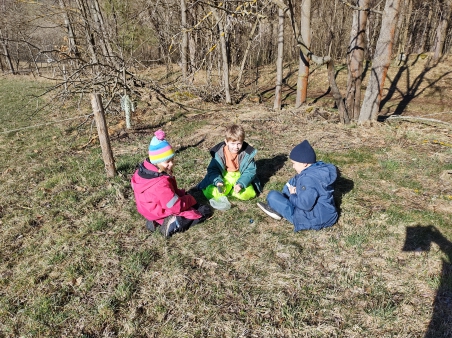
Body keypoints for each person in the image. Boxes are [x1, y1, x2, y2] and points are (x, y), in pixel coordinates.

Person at [131, 129, 212, 238]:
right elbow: (174, 206)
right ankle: (172, 224)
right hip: (160, 210)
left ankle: (155, 220)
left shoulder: (144, 171)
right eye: (167, 161)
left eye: (172, 159)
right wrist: (190, 199)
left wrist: (181, 194)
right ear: (156, 161)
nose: (171, 164)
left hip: (148, 208)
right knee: (203, 211)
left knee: (187, 202)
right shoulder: (160, 183)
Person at [257, 140, 338, 231]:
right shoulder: (318, 171)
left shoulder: (307, 179)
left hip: (312, 219)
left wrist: (293, 195)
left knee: (272, 196)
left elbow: (306, 205)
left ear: (304, 163)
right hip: (327, 214)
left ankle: (278, 209)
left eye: (294, 163)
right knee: (294, 181)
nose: (293, 167)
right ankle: (283, 200)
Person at [198, 124, 261, 201]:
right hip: (225, 176)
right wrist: (218, 181)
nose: (236, 147)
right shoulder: (219, 153)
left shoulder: (247, 153)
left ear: (243, 141)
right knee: (211, 193)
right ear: (226, 142)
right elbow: (213, 169)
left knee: (249, 194)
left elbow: (250, 171)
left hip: (240, 176)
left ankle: (233, 191)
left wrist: (241, 183)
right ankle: (228, 189)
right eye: (233, 144)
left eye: (239, 143)